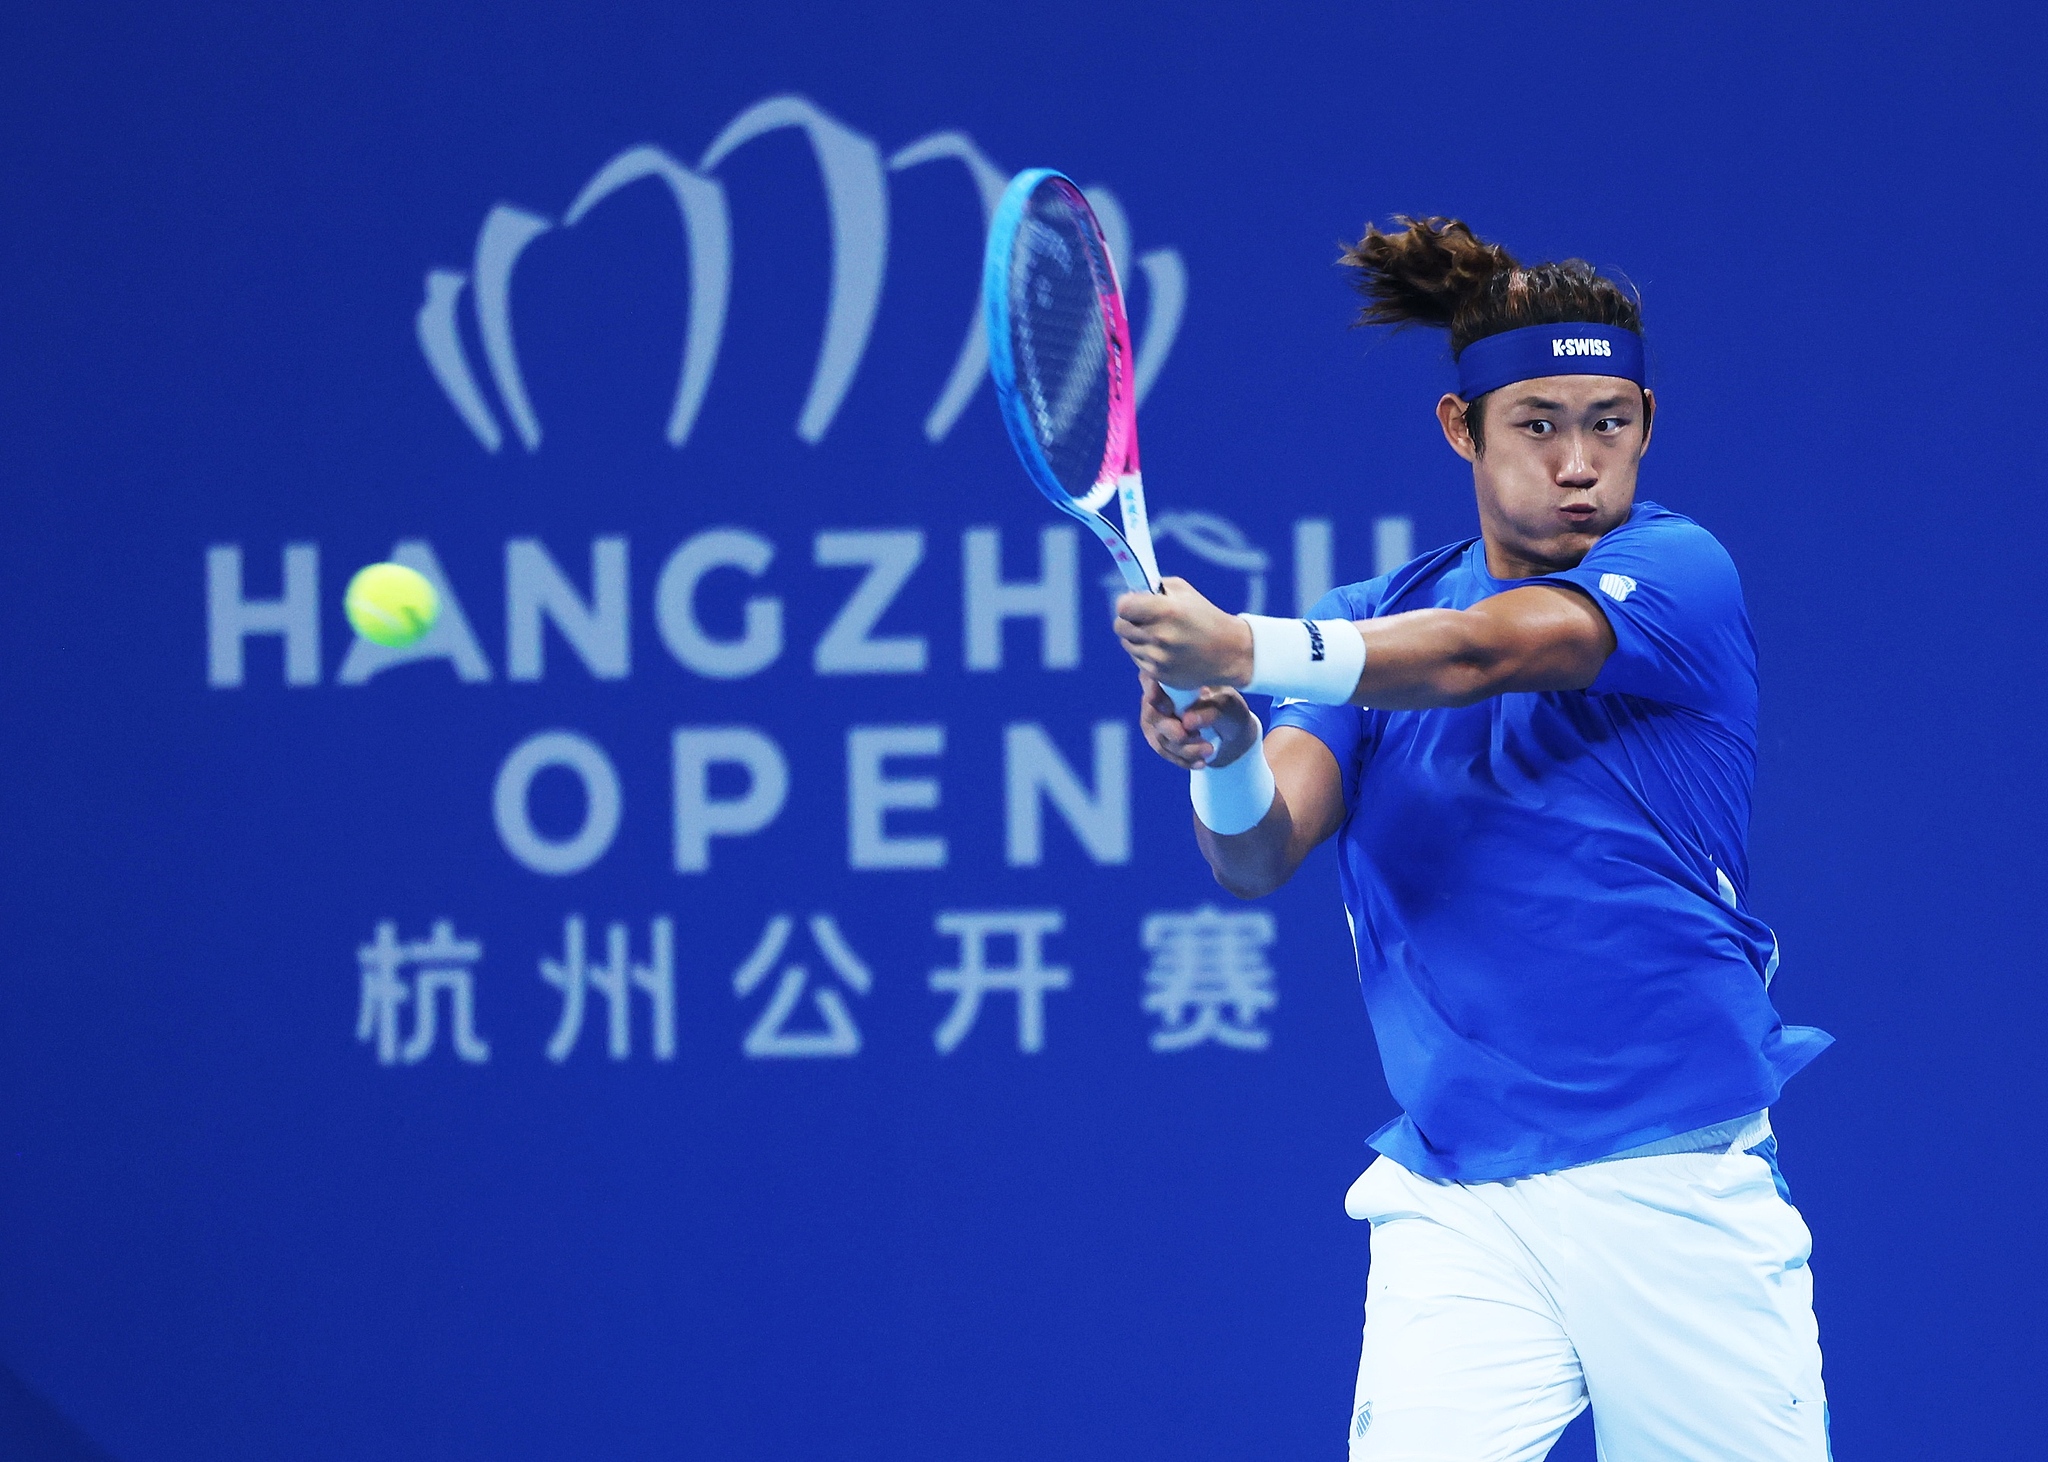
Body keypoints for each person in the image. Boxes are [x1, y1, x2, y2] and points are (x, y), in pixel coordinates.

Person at [1113, 217, 1832, 1460]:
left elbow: (1481, 652)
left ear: (1646, 425)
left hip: (1670, 1186)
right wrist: (1223, 753)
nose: (1576, 464)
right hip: (1454, 1206)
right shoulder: (1365, 621)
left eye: (1607, 422)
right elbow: (1257, 851)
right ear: (1462, 429)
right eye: (1536, 424)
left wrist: (1245, 647)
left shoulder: (1676, 574)